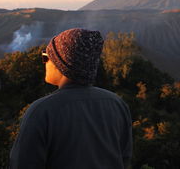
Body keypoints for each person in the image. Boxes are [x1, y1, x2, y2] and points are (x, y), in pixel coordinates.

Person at [10, 28, 132, 169]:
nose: (44, 62)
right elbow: (124, 159)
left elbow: (22, 164)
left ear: (61, 64)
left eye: (46, 56)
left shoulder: (42, 111)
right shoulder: (117, 104)